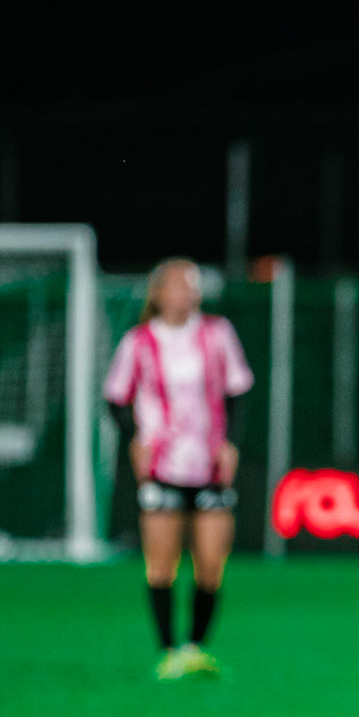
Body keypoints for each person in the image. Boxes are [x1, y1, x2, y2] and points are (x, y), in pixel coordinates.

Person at [103, 258, 255, 680]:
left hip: (208, 463)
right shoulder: (140, 342)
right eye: (176, 285)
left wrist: (231, 444)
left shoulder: (217, 334)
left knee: (211, 561)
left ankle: (196, 647)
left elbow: (239, 391)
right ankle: (168, 650)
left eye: (191, 286)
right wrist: (136, 441)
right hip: (163, 465)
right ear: (158, 293)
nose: (184, 293)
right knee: (162, 562)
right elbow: (115, 399)